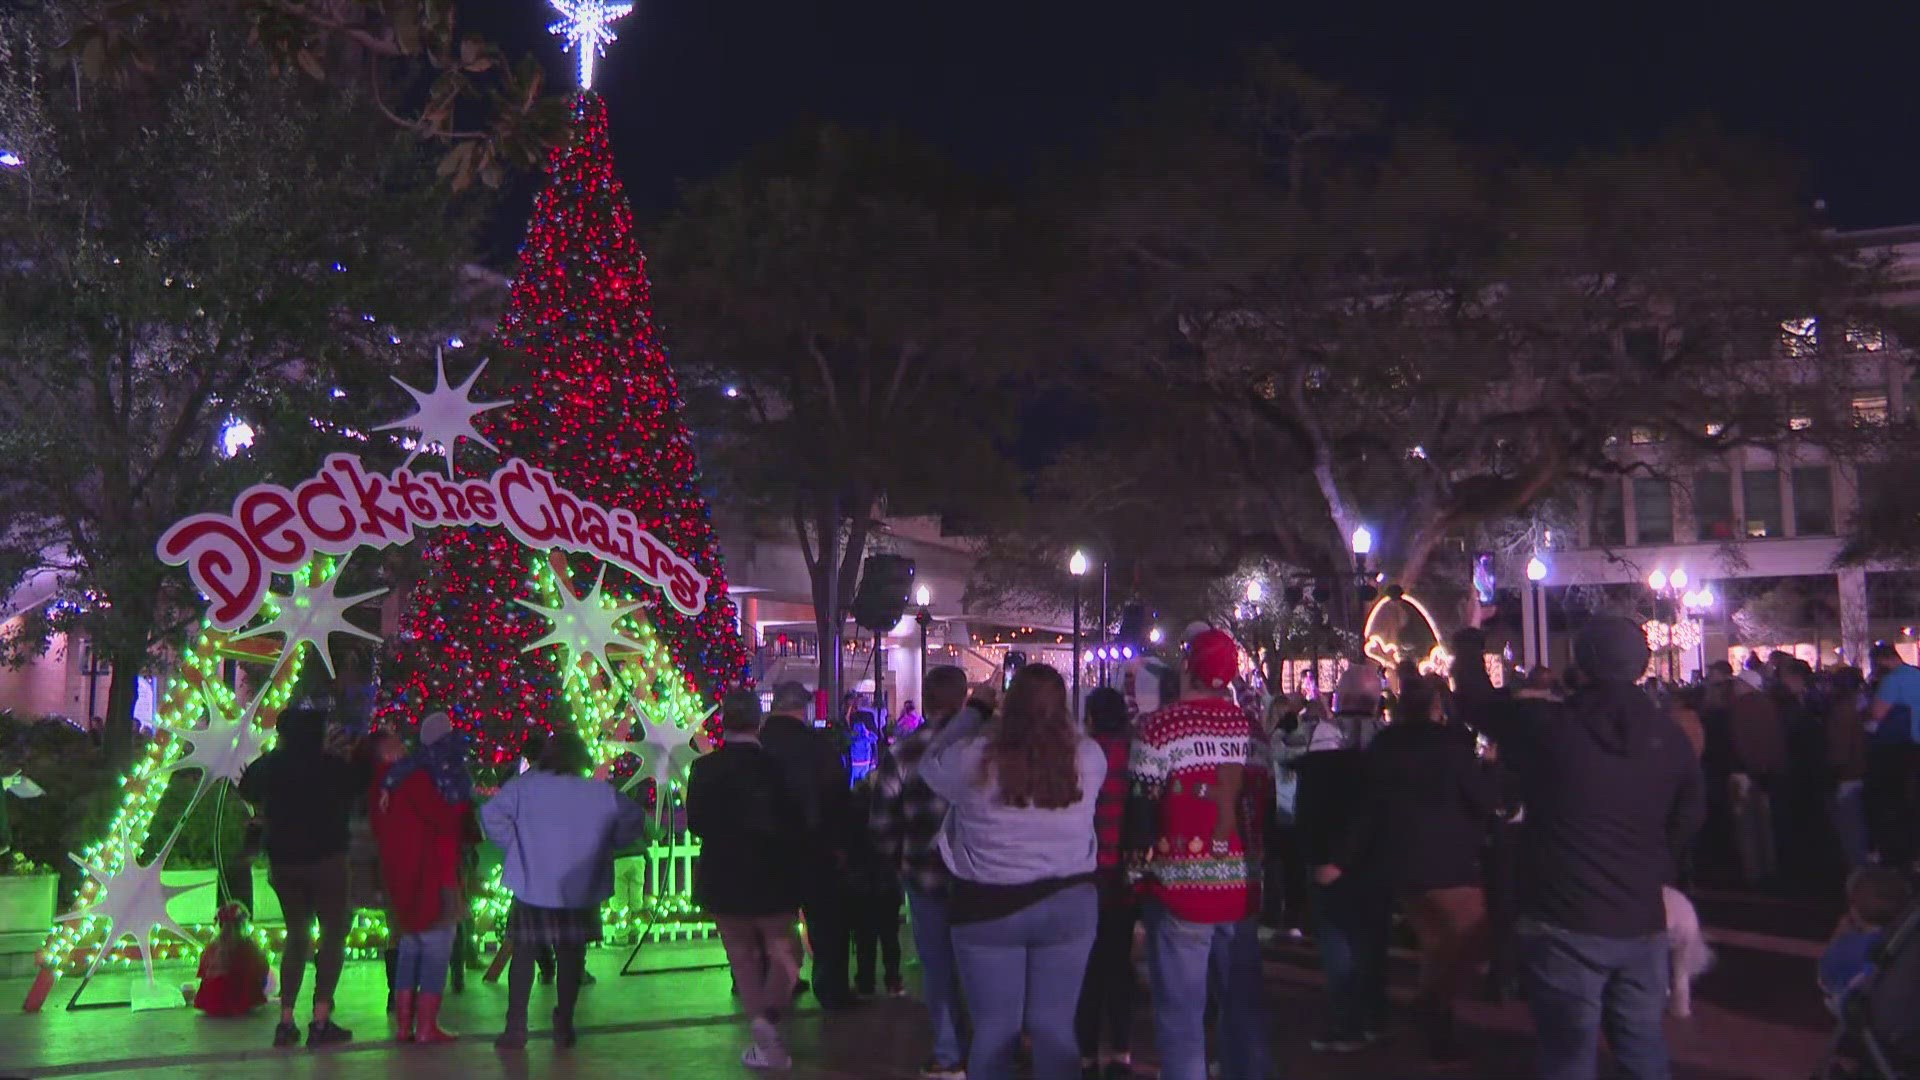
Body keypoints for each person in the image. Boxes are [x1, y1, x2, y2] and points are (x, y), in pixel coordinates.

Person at [1452, 618, 1705, 1080]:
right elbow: (1691, 813)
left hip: (1562, 913)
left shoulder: (1550, 727)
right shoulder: (1669, 739)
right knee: (1643, 1046)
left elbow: (1478, 704)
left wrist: (1469, 644)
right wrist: (1655, 862)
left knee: (1568, 1055)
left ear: (1582, 664)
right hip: (1640, 915)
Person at [922, 664, 1106, 1080]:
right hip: (1068, 903)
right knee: (1055, 1026)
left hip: (988, 906)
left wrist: (975, 711)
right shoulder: (1089, 759)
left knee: (994, 1029)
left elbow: (930, 762)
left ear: (1009, 703)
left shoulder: (974, 760)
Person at [1124, 630, 1273, 1080]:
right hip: (1241, 885)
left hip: (1181, 887)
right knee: (1243, 1004)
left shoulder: (1162, 727)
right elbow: (1262, 803)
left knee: (1181, 1014)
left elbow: (1142, 809)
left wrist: (1135, 878)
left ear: (1187, 668)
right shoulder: (1252, 731)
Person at [482, 730, 648, 1050]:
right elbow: (633, 820)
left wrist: (514, 846)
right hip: (578, 887)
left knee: (524, 955)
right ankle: (565, 1022)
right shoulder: (597, 793)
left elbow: (490, 816)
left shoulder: (524, 787)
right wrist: (607, 843)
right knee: (572, 956)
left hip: (532, 884)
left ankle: (516, 1026)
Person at [1361, 675, 1497, 1064]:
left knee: (1436, 942)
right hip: (1448, 859)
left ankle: (1436, 1023)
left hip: (1400, 857)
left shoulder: (1384, 745)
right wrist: (1488, 772)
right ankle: (1432, 1007)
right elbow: (1482, 799)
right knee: (1467, 937)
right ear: (1436, 708)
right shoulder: (1452, 747)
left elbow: (1370, 798)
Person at [688, 689, 810, 1070]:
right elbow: (796, 822)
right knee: (788, 953)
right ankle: (767, 1021)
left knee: (742, 958)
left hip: (723, 874)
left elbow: (697, 824)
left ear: (724, 722)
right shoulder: (776, 767)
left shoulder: (705, 769)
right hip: (772, 875)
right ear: (758, 721)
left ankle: (764, 1036)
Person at [869, 664, 975, 1080]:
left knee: (938, 967)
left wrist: (897, 860)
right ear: (964, 697)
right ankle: (989, 1045)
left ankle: (949, 1054)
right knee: (982, 965)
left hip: (926, 875)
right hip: (982, 877)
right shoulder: (985, 747)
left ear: (927, 702)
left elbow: (881, 823)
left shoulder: (904, 752)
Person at [238, 704, 365, 1049]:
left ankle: (286, 1021)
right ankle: (321, 1019)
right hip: (328, 860)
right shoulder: (332, 766)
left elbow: (246, 787)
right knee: (333, 934)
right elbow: (359, 789)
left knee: (296, 935)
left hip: (285, 862)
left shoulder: (272, 765)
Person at [1293, 668, 1390, 1054]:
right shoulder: (1387, 741)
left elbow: (1313, 802)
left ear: (1341, 698)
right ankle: (1373, 1017)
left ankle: (1347, 1021)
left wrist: (1316, 853)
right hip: (1377, 856)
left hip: (1332, 855)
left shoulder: (1325, 739)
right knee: (1372, 940)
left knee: (1338, 941)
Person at [373, 713, 476, 1046]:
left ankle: (405, 1025)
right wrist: (460, 803)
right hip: (432, 875)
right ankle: (426, 1026)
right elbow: (446, 821)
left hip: (401, 878)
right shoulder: (422, 780)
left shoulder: (385, 785)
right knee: (435, 952)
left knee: (409, 949)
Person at [758, 680, 856, 1010]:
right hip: (815, 844)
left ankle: (775, 980)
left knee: (772, 918)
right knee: (827, 921)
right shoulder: (816, 747)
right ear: (804, 708)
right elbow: (836, 797)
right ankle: (831, 988)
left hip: (769, 847)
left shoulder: (758, 746)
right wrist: (840, 843)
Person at [1077, 687, 1139, 1080]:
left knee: (1087, 968)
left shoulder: (1082, 755)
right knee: (1119, 963)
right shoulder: (1137, 753)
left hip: (1085, 872)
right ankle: (1122, 1050)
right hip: (1125, 874)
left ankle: (1086, 1055)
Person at [1819, 867, 1914, 1014]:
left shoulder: (1844, 948)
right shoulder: (1909, 940)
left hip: (1864, 1014)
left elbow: (1825, 980)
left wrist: (1838, 937)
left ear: (1854, 910)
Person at [843, 774, 906, 998]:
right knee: (889, 936)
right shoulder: (892, 809)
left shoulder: (852, 807)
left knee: (864, 938)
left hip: (860, 880)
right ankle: (892, 980)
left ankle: (865, 983)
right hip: (886, 878)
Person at [1726, 673, 1787, 888]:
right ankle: (1769, 868)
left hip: (1744, 773)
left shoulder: (1740, 708)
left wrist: (1748, 766)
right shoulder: (1769, 706)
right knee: (1765, 823)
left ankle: (1753, 872)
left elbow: (1740, 740)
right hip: (1767, 773)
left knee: (1747, 825)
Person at [1865, 643, 1920, 869]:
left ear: (1883, 661)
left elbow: (1877, 715)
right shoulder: (1916, 674)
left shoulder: (1891, 681)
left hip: (1901, 747)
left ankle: (1902, 854)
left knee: (1898, 800)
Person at [191, 901, 271, 1017]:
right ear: (243, 923)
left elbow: (202, 971)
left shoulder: (212, 945)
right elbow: (263, 968)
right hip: (239, 1001)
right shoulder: (247, 944)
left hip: (211, 1002)